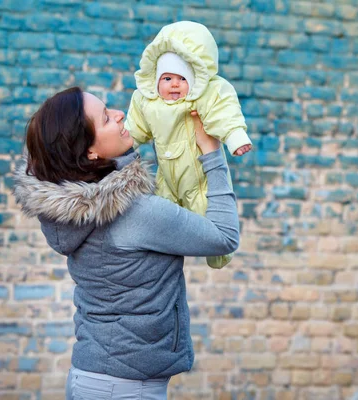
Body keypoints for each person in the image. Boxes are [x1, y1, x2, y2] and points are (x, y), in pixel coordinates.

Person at [13, 86, 239, 399]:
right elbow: (224, 236)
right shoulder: (134, 212)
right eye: (105, 118)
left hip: (92, 379)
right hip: (126, 389)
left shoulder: (73, 216)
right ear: (89, 152)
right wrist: (212, 154)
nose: (119, 114)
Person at [126, 20, 252, 269]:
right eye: (168, 78)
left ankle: (219, 257)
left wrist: (235, 137)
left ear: (194, 79)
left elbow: (224, 112)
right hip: (166, 178)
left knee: (207, 216)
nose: (174, 85)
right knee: (161, 217)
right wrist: (126, 143)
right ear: (156, 80)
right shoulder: (146, 102)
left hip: (199, 176)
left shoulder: (202, 98)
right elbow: (135, 128)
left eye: (182, 78)